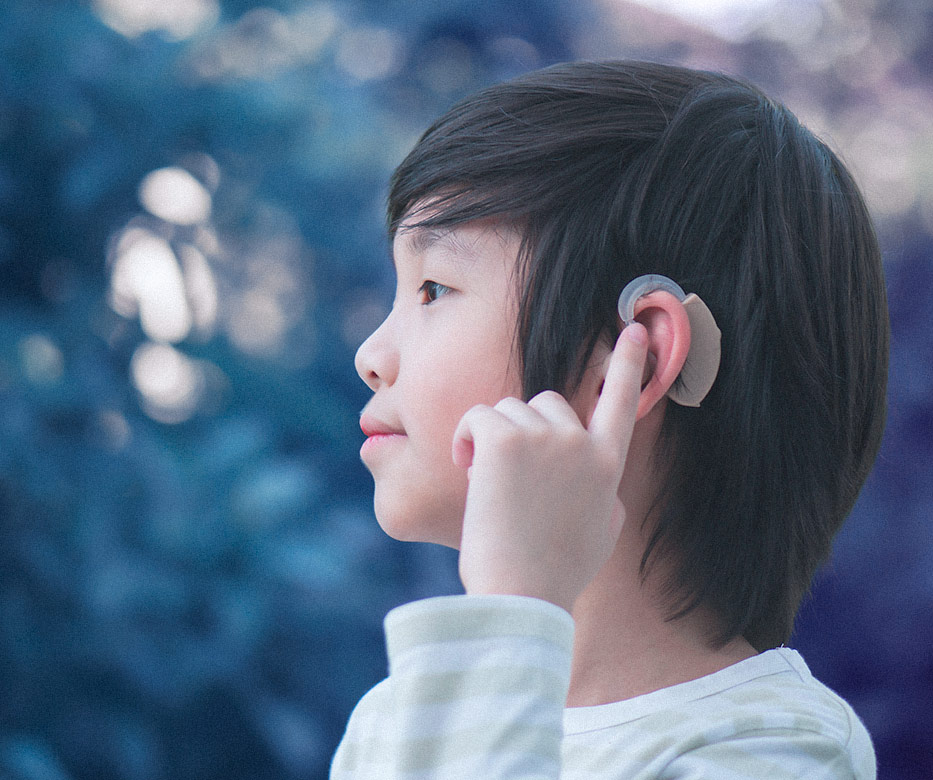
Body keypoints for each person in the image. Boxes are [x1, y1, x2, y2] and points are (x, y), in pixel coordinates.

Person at [334, 60, 888, 779]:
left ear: (638, 355)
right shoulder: (394, 720)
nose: (370, 355)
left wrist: (516, 606)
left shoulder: (774, 748)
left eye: (435, 287)